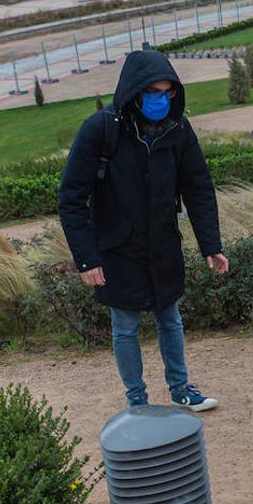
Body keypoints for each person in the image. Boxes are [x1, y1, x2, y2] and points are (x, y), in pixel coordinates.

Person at [58, 49, 230, 411]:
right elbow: (71, 198)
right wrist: (87, 260)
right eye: (153, 93)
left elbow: (198, 188)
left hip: (164, 244)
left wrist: (210, 244)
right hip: (117, 247)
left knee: (171, 318)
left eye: (167, 93)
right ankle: (137, 401)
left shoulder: (178, 129)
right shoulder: (100, 130)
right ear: (135, 92)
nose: (160, 100)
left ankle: (181, 389)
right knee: (125, 326)